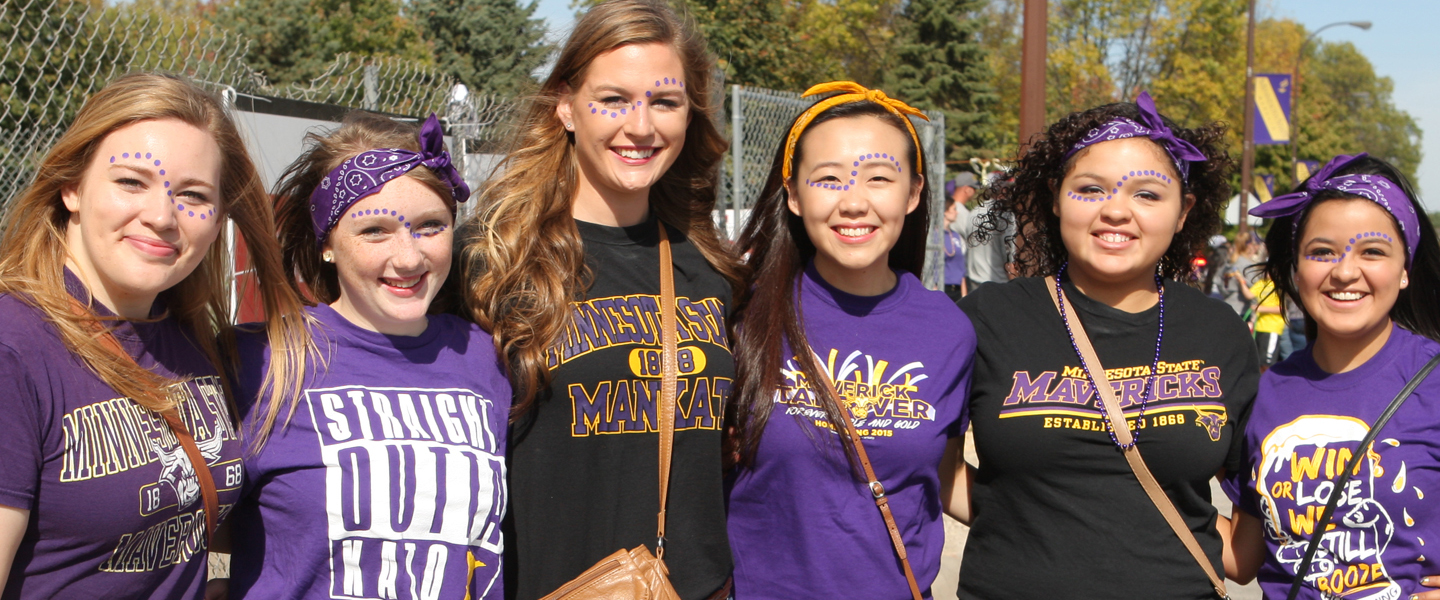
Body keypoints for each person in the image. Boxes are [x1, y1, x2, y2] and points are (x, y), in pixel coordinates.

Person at [455, 1, 744, 598]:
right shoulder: (490, 262)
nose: (641, 126)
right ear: (565, 105)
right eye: (613, 100)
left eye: (664, 102)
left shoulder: (710, 266)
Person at [0, 73, 309, 598]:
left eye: (193, 195)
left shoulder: (189, 339)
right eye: (130, 182)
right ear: (71, 188)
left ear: (217, 221)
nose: (163, 216)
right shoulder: (15, 348)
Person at [957, 92, 1258, 599]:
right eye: (1090, 189)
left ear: (1183, 211)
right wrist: (1016, 518)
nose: (1116, 210)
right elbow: (924, 457)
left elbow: (1261, 485)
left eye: (1147, 194)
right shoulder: (989, 318)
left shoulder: (1219, 330)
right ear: (1056, 197)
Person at [226, 112, 511, 599]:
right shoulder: (264, 359)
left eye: (430, 226)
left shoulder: (487, 356)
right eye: (374, 230)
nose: (408, 257)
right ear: (328, 245)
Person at [725, 82, 974, 599]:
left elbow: (945, 475)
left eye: (880, 179)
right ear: (793, 194)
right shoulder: (740, 312)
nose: (854, 202)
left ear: (913, 193)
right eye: (829, 179)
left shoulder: (950, 329)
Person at [1223, 154, 1440, 600]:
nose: (1343, 271)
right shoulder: (1262, 391)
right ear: (1296, 269)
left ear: (1404, 271)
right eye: (1321, 252)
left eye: (1373, 252)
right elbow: (1242, 559)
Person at [1244, 273, 1286, 368]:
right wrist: (1241, 281)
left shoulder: (1280, 285)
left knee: (1267, 361)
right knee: (1257, 359)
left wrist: (1261, 308)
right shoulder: (1261, 283)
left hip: (1272, 327)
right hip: (1259, 326)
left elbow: (1282, 309)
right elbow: (1249, 295)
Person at [943, 192, 969, 301]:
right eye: (953, 209)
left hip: (957, 290)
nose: (957, 212)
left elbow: (961, 267)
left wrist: (964, 294)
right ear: (945, 212)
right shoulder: (934, 236)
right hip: (943, 289)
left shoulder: (955, 235)